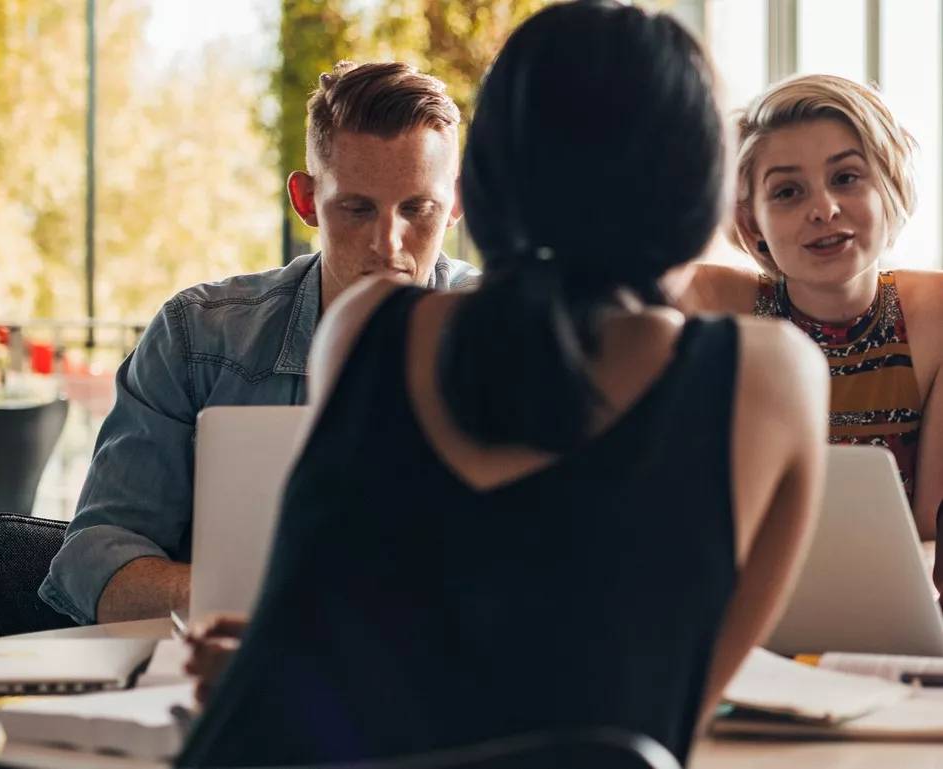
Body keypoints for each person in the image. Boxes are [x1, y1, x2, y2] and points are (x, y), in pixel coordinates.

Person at [175, 2, 828, 766]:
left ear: (483, 179)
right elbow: (655, 716)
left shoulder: (363, 327)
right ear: (703, 186)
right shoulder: (770, 377)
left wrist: (305, 660)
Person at [39, 61, 478, 625]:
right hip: (243, 663)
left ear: (456, 202)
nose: (387, 245)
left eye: (418, 209)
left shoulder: (513, 338)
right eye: (357, 208)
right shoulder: (197, 338)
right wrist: (256, 599)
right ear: (306, 200)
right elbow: (94, 564)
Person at [681, 74, 943, 579]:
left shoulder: (934, 318)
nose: (823, 210)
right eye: (787, 192)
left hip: (889, 601)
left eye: (846, 177)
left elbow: (932, 534)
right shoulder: (715, 303)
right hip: (738, 601)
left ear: (889, 186)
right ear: (752, 223)